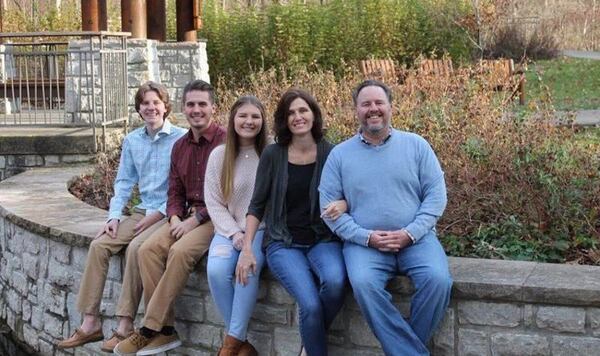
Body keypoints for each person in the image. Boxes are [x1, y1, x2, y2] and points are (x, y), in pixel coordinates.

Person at [319, 79, 453, 356]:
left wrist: (410, 233)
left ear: (391, 107)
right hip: (365, 246)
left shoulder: (417, 145)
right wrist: (366, 237)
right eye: (366, 104)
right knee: (364, 284)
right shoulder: (339, 156)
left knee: (439, 281)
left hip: (417, 241)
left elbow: (436, 197)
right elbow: (329, 210)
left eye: (379, 102)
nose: (373, 109)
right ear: (356, 110)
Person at [57, 82, 186, 352]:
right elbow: (125, 182)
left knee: (136, 250)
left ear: (166, 106)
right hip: (141, 210)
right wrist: (114, 216)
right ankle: (90, 323)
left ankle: (124, 326)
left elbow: (183, 188)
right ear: (139, 109)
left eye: (156, 102)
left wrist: (157, 215)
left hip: (168, 212)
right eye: (145, 103)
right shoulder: (132, 140)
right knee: (99, 245)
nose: (151, 107)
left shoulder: (181, 139)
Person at [115, 80, 226, 356]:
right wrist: (175, 217)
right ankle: (167, 331)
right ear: (183, 108)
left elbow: (230, 193)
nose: (196, 109)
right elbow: (174, 190)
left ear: (213, 107)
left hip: (217, 216)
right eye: (191, 104)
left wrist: (195, 219)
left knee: (178, 252)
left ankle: (151, 328)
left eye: (202, 104)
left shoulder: (226, 142)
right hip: (185, 215)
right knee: (147, 250)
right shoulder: (180, 145)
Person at [236, 89, 347, 356]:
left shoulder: (331, 152)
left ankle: (308, 344)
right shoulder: (273, 155)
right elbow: (257, 204)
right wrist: (247, 248)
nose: (298, 117)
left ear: (313, 114)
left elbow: (349, 194)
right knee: (309, 303)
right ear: (284, 120)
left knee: (335, 283)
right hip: (283, 244)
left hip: (322, 239)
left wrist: (344, 204)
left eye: (303, 110)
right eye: (291, 113)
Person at [204, 96, 269, 356]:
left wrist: (250, 237)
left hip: (261, 230)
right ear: (233, 119)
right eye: (243, 115)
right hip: (227, 230)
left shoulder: (270, 153)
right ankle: (240, 343)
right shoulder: (220, 155)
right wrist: (234, 233)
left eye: (255, 116)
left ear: (263, 121)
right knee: (217, 271)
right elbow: (214, 202)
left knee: (248, 268)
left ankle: (230, 347)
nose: (249, 121)